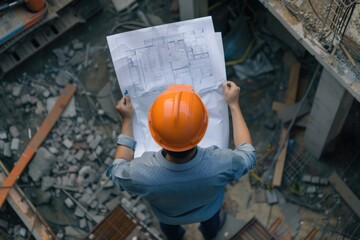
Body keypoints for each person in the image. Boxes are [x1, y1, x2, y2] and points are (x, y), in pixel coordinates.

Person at [106, 81, 256, 240]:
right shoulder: (220, 163)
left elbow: (116, 171)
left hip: (168, 217)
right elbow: (248, 155)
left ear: (156, 136)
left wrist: (127, 120)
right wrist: (234, 105)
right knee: (212, 226)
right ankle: (209, 235)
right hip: (209, 210)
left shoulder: (141, 173)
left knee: (170, 232)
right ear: (202, 129)